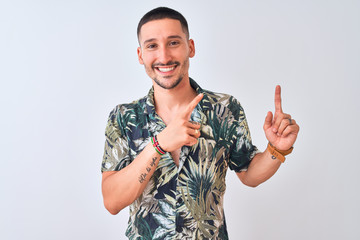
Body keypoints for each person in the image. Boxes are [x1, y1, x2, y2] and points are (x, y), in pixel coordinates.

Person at [101, 6, 300, 240]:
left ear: (190, 47)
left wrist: (277, 148)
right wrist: (159, 145)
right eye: (152, 45)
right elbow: (112, 201)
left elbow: (249, 173)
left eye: (173, 42)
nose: (164, 56)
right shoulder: (124, 117)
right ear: (140, 54)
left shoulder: (225, 109)